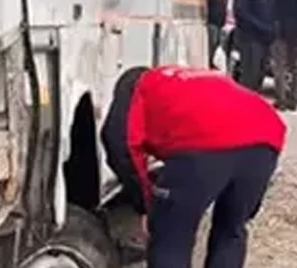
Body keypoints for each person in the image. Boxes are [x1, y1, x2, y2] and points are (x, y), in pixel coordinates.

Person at [100, 65, 286, 268]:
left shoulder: (136, 85)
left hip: (202, 143)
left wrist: (144, 204)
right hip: (265, 137)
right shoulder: (182, 81)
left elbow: (118, 141)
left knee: (171, 235)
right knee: (231, 229)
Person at [232, 0, 276, 93]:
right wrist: (262, 27)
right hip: (250, 39)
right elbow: (242, 14)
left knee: (260, 76)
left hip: (266, 40)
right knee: (250, 75)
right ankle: (242, 108)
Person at [206, 0, 228, 69]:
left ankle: (212, 61)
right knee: (212, 44)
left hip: (219, 23)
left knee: (216, 44)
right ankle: (210, 62)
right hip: (212, 23)